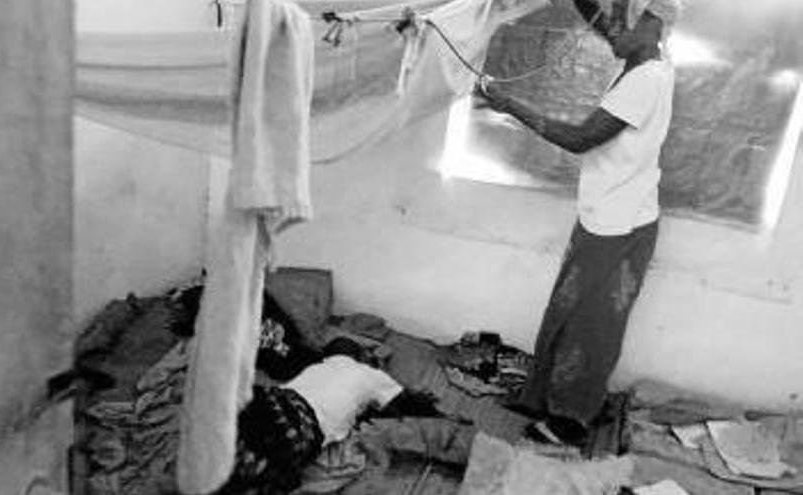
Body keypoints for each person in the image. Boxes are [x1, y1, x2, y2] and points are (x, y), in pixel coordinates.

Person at [474, 0, 681, 446]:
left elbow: (580, 138)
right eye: (616, 18)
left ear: (653, 25)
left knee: (591, 325)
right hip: (615, 214)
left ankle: (569, 420)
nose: (613, 31)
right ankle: (542, 397)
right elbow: (602, 20)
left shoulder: (645, 79)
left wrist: (507, 104)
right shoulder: (645, 55)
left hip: (618, 224)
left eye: (625, 21)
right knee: (566, 310)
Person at [218, 336, 440, 494]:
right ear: (360, 357)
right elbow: (409, 403)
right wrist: (433, 407)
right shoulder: (369, 373)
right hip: (301, 425)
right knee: (258, 470)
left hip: (276, 399)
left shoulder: (314, 369)